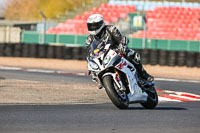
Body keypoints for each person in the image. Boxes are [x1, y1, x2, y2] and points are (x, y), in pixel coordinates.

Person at [86, 14, 154, 86]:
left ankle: (143, 74)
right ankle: (102, 80)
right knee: (93, 69)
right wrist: (90, 66)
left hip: (116, 52)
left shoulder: (110, 29)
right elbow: (90, 53)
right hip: (103, 57)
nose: (93, 28)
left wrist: (123, 46)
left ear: (101, 24)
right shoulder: (89, 39)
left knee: (131, 54)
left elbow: (121, 39)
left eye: (95, 25)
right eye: (91, 26)